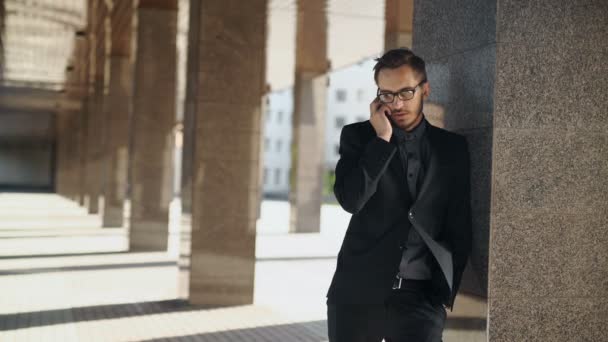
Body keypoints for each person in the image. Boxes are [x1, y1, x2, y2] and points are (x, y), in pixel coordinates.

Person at [326, 48, 472, 342]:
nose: (397, 103)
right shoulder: (358, 137)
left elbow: (459, 224)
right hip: (357, 294)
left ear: (425, 90)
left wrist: (444, 296)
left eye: (406, 92)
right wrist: (381, 140)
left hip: (421, 299)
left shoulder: (452, 149)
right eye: (387, 94)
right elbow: (351, 200)